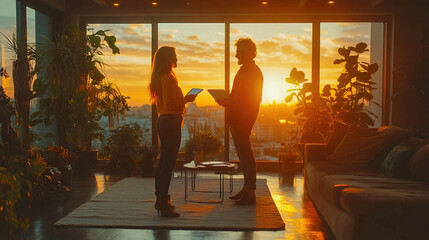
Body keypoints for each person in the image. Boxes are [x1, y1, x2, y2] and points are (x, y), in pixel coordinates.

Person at [148, 46, 196, 217]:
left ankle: (161, 199)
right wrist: (186, 99)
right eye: (175, 55)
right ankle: (162, 202)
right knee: (167, 165)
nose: (177, 58)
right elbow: (170, 104)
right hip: (171, 122)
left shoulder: (161, 78)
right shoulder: (167, 79)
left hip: (164, 121)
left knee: (163, 163)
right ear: (168, 59)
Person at [216, 38, 263, 205]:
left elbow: (252, 99)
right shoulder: (243, 71)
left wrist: (231, 102)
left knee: (246, 154)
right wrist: (226, 100)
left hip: (243, 117)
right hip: (236, 116)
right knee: (243, 155)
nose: (236, 55)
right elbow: (235, 94)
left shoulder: (254, 72)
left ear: (247, 52)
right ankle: (246, 189)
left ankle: (250, 192)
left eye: (238, 52)